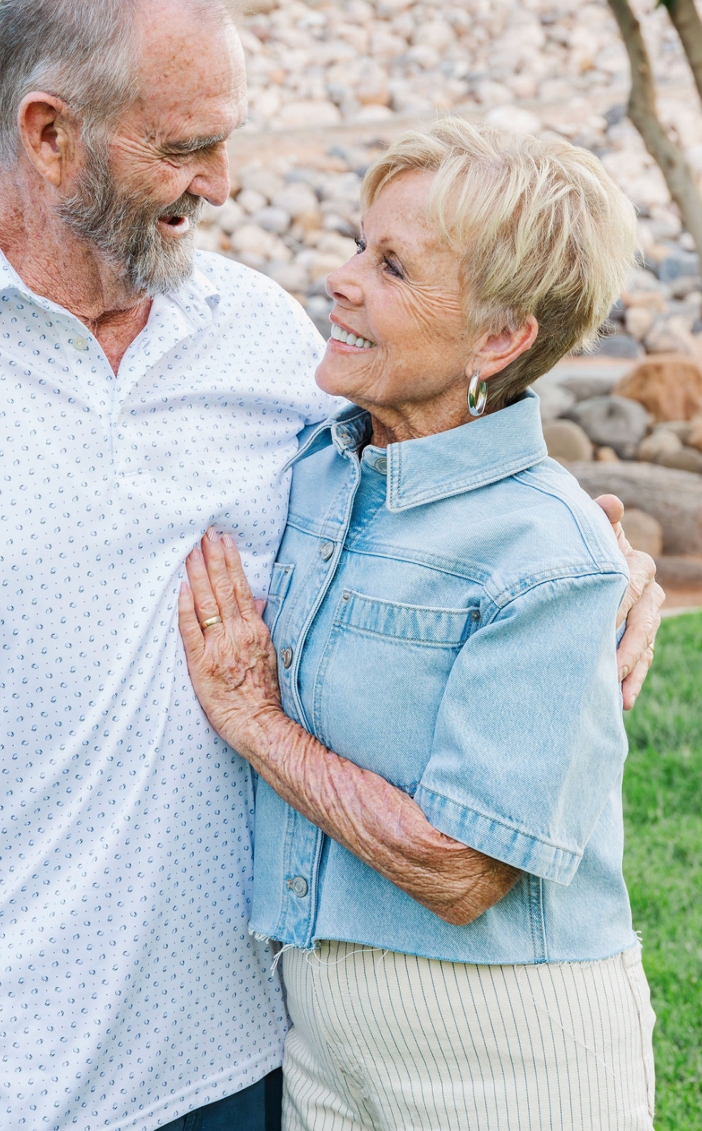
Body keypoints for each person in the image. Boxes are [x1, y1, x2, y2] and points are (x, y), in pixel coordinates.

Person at [0, 0, 658, 1131]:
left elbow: (441, 483)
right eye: (187, 147)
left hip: (278, 1049)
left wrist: (612, 568)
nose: (224, 184)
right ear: (50, 135)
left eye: (227, 139)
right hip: (12, 1068)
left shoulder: (259, 337)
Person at [179, 118, 657, 1131]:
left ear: (498, 337)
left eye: (391, 265)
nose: (341, 278)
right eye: (358, 244)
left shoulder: (548, 549)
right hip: (318, 1045)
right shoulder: (317, 466)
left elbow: (461, 866)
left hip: (510, 1058)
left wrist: (254, 717)